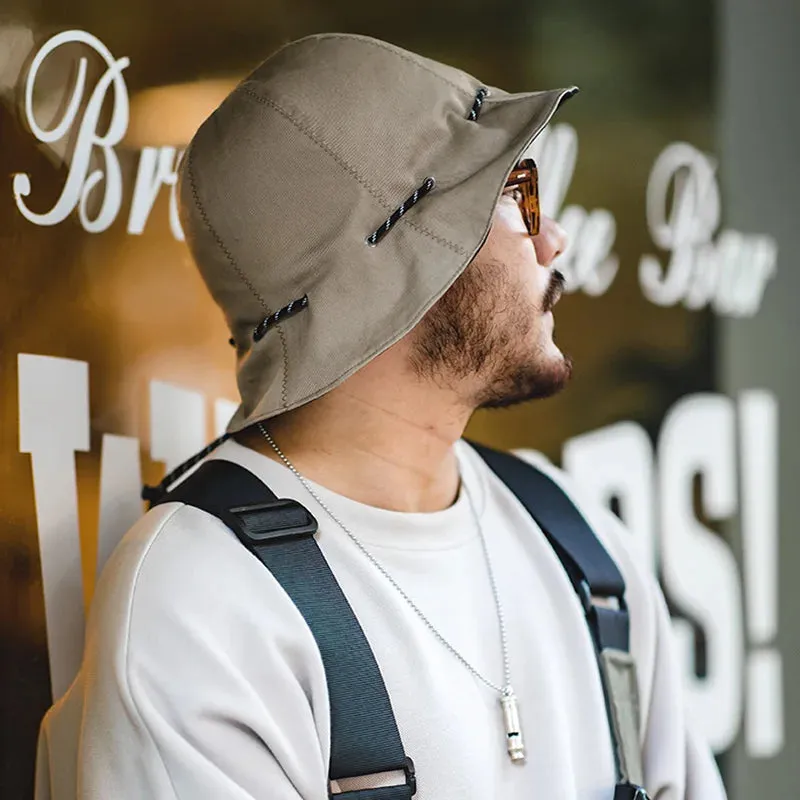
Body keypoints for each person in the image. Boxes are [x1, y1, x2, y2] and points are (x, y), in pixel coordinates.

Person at [35, 33, 726, 800]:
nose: (554, 238)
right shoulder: (201, 603)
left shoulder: (575, 539)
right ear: (398, 265)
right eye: (512, 194)